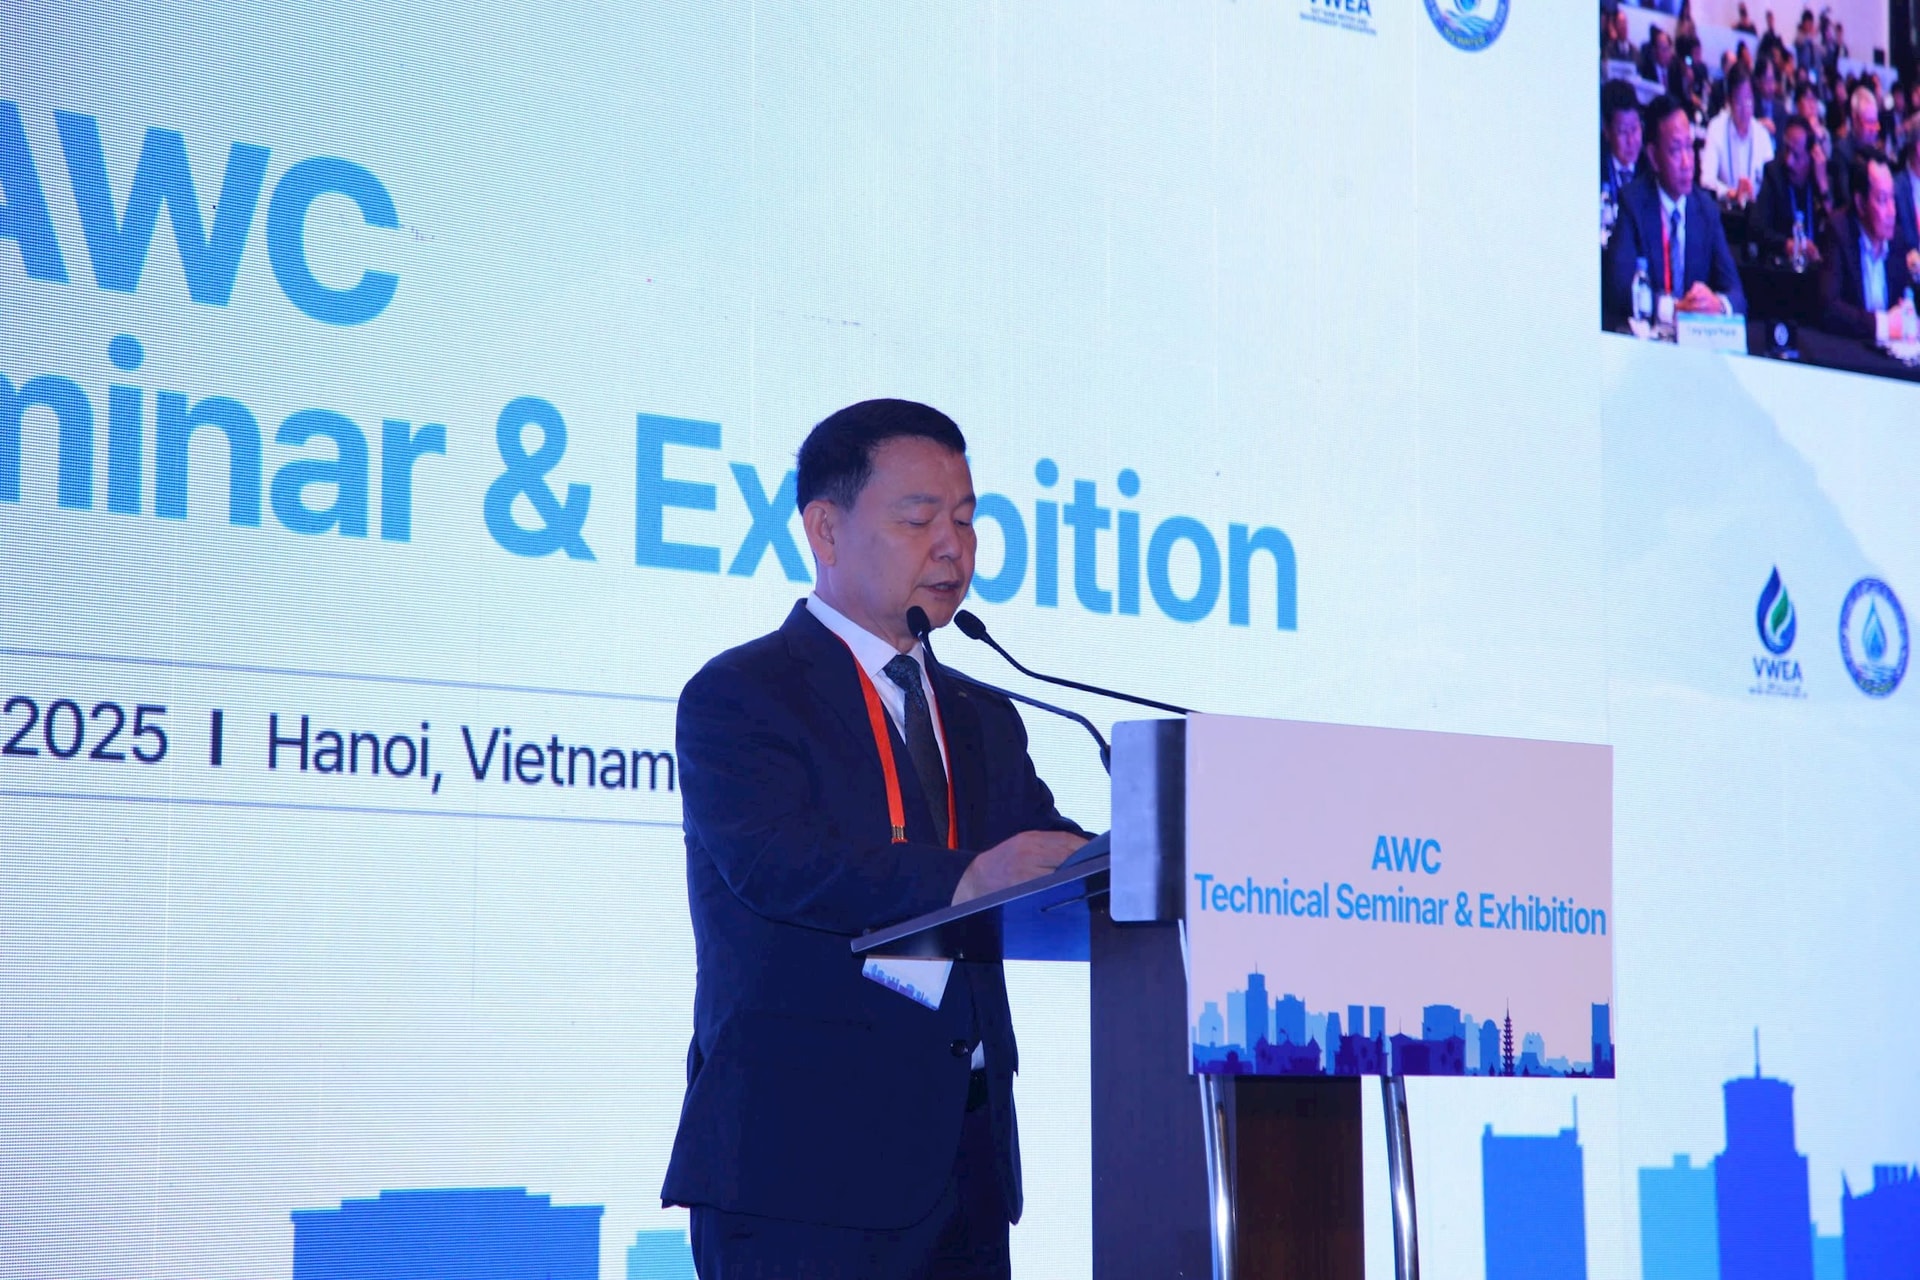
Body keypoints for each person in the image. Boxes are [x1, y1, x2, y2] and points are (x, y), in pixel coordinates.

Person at [661, 398, 1088, 1279]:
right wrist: (966, 880)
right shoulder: (743, 694)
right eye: (919, 519)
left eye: (966, 520)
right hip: (799, 1170)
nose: (953, 547)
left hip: (964, 1167)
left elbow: (1046, 853)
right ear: (826, 529)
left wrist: (1150, 855)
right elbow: (778, 864)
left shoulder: (983, 713)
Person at [1606, 96, 1749, 323]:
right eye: (1675, 150)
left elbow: (1737, 296)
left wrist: (1718, 305)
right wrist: (1674, 309)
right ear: (1653, 157)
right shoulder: (1633, 203)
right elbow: (1619, 289)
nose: (1687, 163)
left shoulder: (1706, 210)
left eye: (1689, 147)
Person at [1819, 149, 1917, 338]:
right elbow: (1829, 308)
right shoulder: (1839, 231)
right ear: (1860, 203)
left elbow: (1904, 301)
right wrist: (1883, 325)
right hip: (1851, 349)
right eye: (1882, 200)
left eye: (1892, 198)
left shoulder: (1897, 238)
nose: (1892, 211)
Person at [1750, 112, 1829, 258]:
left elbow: (1836, 229)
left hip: (1818, 264)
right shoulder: (1773, 172)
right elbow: (1757, 227)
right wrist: (1787, 244)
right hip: (1783, 264)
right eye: (1787, 149)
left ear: (1811, 155)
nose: (1789, 161)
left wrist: (1823, 186)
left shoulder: (1822, 176)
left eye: (1796, 155)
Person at [1703, 65, 1776, 202]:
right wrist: (1731, 193)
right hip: (1725, 209)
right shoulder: (1716, 128)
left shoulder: (1762, 135)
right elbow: (1706, 180)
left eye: (1748, 100)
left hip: (1757, 209)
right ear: (1729, 102)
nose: (1745, 109)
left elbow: (1773, 184)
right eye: (1738, 101)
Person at [1828, 85, 1880, 209]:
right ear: (1855, 120)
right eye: (1868, 122)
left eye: (1875, 123)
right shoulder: (1841, 151)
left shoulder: (1876, 153)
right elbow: (1845, 199)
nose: (1873, 130)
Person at [1603, 79, 1649, 206]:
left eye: (1634, 129)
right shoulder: (1595, 166)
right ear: (1607, 132)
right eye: (1623, 132)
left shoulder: (1650, 168)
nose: (1631, 140)